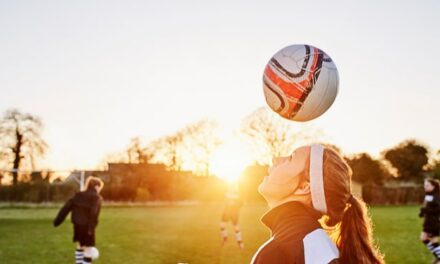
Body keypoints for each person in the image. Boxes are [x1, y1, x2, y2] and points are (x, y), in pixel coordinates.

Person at [251, 144, 384, 264]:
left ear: (304, 187)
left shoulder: (278, 252)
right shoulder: (316, 245)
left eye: (291, 158)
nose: (275, 159)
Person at [54, 176, 104, 264]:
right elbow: (94, 213)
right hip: (88, 226)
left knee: (80, 245)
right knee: (88, 250)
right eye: (100, 187)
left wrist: (57, 221)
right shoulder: (96, 197)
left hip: (77, 225)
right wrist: (91, 228)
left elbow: (66, 208)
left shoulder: (78, 195)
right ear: (96, 186)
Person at [419, 178, 440, 263]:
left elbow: (438, 209)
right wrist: (422, 212)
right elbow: (427, 207)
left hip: (433, 223)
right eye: (424, 185)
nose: (425, 187)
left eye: (427, 185)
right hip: (428, 222)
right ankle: (438, 257)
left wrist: (426, 211)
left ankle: (439, 257)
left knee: (426, 238)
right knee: (428, 240)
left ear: (433, 186)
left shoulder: (436, 196)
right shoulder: (428, 195)